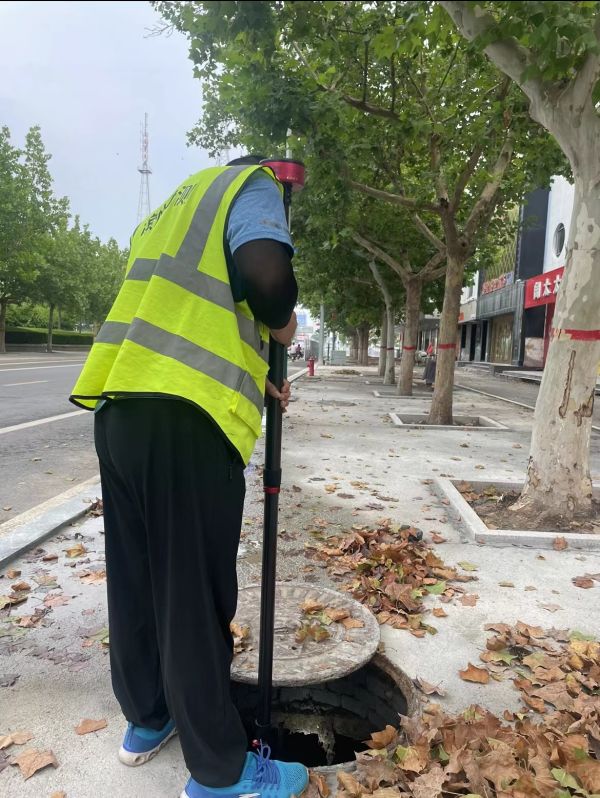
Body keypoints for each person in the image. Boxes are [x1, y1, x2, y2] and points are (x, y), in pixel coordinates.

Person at [70, 156, 308, 798]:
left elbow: (182, 320)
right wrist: (283, 324)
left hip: (122, 407)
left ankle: (149, 719)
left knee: (139, 582)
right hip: (185, 426)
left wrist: (253, 370)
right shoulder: (253, 184)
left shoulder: (173, 207)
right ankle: (221, 772)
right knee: (193, 596)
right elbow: (266, 275)